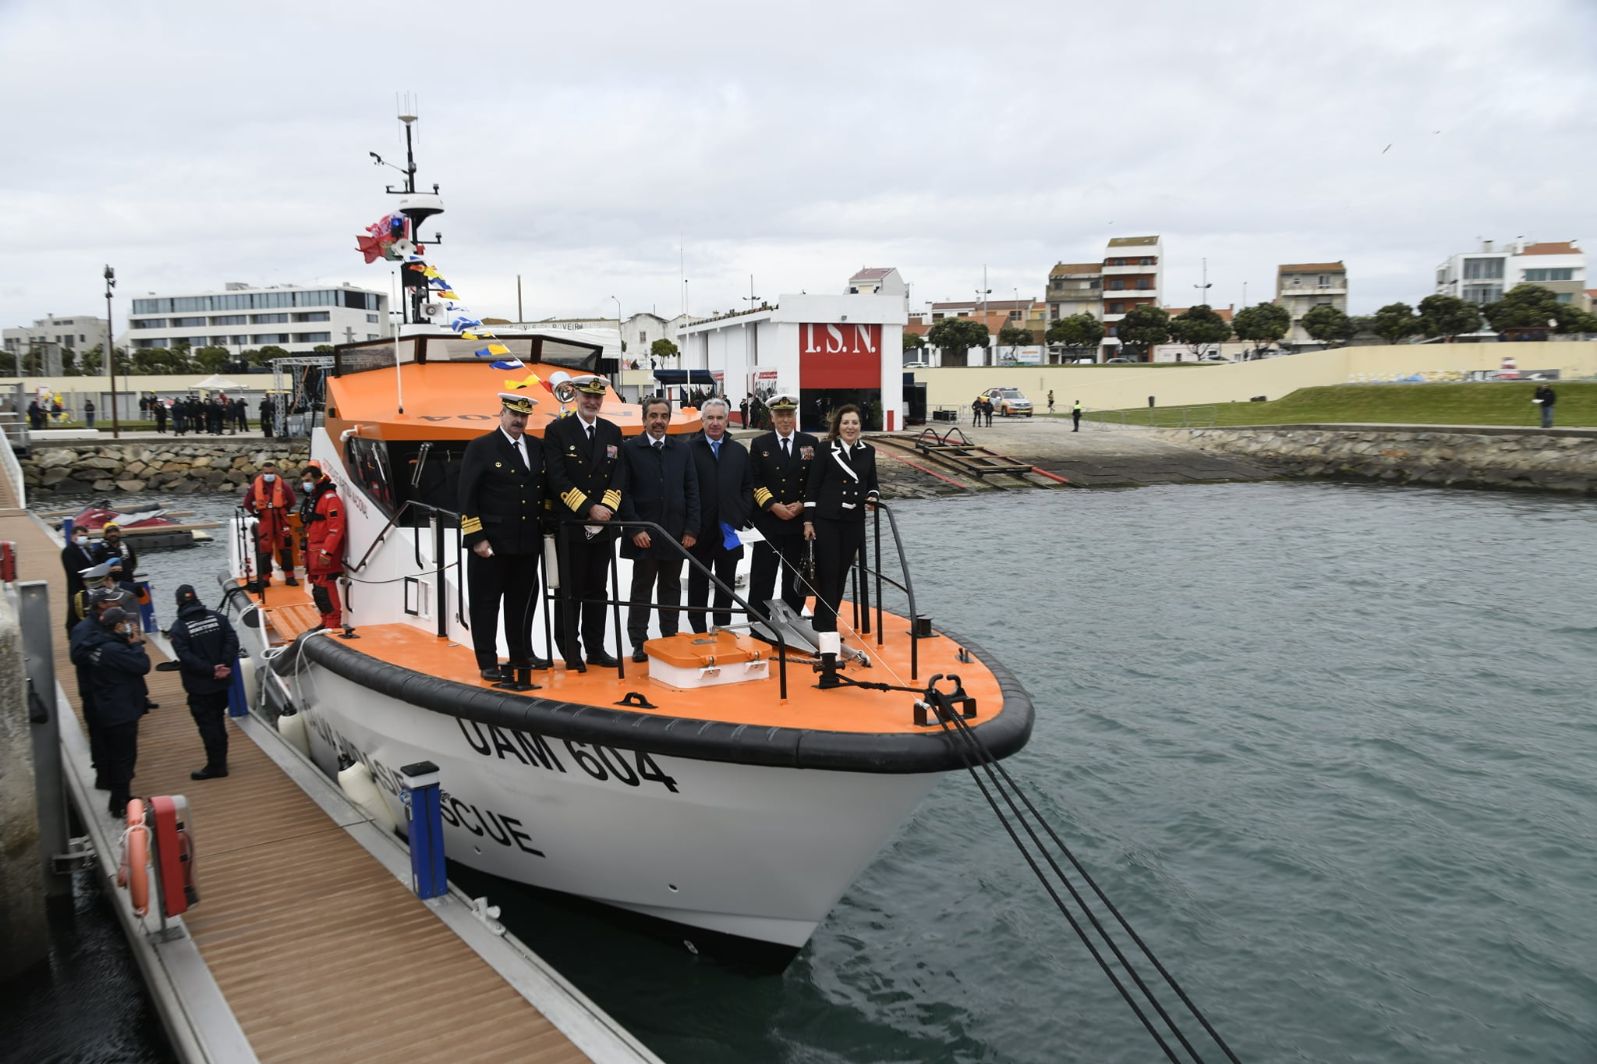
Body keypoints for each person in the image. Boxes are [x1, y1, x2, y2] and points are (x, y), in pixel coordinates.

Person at [459, 392, 548, 679]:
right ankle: (487, 660)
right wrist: (477, 538)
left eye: (524, 416)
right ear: (502, 414)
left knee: (521, 602)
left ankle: (521, 653)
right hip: (492, 543)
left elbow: (540, 491)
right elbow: (466, 497)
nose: (519, 420)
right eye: (514, 415)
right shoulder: (482, 447)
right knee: (486, 604)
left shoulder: (536, 447)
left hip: (525, 542)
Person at [544, 375, 626, 668]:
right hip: (572, 526)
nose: (592, 402)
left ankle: (595, 648)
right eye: (587, 396)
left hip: (603, 528)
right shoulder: (557, 432)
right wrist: (589, 508)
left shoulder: (612, 432)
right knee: (571, 591)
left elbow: (618, 475)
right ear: (576, 396)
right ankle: (569, 650)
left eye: (597, 397)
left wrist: (607, 509)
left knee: (597, 590)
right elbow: (557, 478)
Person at [618, 396, 699, 662]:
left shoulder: (682, 450)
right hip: (644, 536)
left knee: (671, 587)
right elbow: (624, 493)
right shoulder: (629, 450)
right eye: (653, 416)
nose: (658, 421)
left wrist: (691, 529)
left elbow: (691, 491)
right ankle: (639, 641)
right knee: (642, 587)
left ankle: (669, 637)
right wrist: (634, 529)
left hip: (676, 534)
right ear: (643, 420)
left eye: (663, 416)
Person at [802, 404, 880, 641]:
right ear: (838, 426)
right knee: (829, 572)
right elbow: (813, 486)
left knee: (842, 573)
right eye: (846, 422)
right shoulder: (826, 449)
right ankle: (826, 625)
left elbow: (873, 483)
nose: (850, 427)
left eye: (854, 422)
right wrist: (808, 521)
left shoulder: (868, 451)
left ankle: (825, 620)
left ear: (860, 426)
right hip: (827, 520)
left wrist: (873, 497)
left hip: (853, 521)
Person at [73, 606, 150, 819]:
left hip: (105, 706)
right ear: (117, 626)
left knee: (116, 756)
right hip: (120, 710)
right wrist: (135, 645)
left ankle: (118, 798)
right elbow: (142, 665)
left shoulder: (95, 646)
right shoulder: (113, 650)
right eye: (125, 623)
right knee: (124, 758)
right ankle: (120, 802)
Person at [748, 392, 818, 620]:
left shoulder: (810, 443)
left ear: (795, 416)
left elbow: (814, 481)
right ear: (772, 417)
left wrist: (802, 505)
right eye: (780, 415)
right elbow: (754, 481)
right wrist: (772, 505)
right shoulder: (760, 444)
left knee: (794, 576)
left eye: (789, 414)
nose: (785, 419)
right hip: (769, 521)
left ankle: (793, 619)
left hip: (798, 521)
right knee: (762, 575)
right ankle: (757, 620)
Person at [685, 398, 752, 633]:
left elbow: (747, 487)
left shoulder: (739, 451)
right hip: (699, 530)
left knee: (726, 583)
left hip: (729, 529)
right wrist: (689, 526)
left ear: (726, 420)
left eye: (719, 418)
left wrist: (740, 515)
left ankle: (722, 627)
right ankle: (699, 629)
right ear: (702, 421)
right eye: (710, 418)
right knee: (698, 582)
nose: (715, 423)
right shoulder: (688, 450)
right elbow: (683, 488)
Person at [168, 585, 240, 780]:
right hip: (222, 683)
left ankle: (216, 766)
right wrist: (224, 665)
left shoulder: (179, 628)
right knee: (218, 721)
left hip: (200, 687)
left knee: (208, 726)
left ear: (178, 602)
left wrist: (210, 670)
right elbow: (232, 641)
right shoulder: (218, 618)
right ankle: (221, 760)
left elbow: (185, 656)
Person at [70, 588, 118, 790]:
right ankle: (104, 778)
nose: (116, 604)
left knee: (113, 736)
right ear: (101, 605)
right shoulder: (84, 629)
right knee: (99, 736)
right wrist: (104, 641)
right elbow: (77, 657)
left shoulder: (103, 625)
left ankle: (113, 774)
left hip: (108, 689)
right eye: (111, 602)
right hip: (93, 691)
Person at [301, 464, 348, 632]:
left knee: (326, 585)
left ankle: (333, 623)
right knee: (318, 588)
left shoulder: (329, 498)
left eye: (307, 481)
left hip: (323, 552)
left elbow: (336, 529)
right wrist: (303, 549)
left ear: (316, 479)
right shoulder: (315, 498)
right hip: (313, 551)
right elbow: (309, 526)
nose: (305, 484)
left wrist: (326, 552)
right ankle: (325, 619)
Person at [241, 461, 298, 593]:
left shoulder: (282, 485)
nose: (269, 475)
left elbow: (292, 500)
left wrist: (284, 509)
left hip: (280, 519)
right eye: (266, 473)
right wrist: (255, 512)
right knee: (264, 551)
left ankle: (290, 576)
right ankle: (266, 578)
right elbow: (247, 503)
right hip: (265, 519)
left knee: (285, 549)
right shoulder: (256, 486)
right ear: (262, 473)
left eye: (271, 473)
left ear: (275, 472)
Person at [60, 525, 99, 638]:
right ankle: (73, 636)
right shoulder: (68, 551)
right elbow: (73, 571)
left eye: (86, 536)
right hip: (77, 589)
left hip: (91, 588)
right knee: (75, 615)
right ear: (73, 536)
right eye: (81, 536)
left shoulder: (87, 549)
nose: (84, 538)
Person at [94, 521, 139, 596]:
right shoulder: (100, 549)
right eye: (109, 532)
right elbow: (96, 568)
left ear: (119, 533)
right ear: (105, 534)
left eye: (115, 531)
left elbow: (134, 564)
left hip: (128, 584)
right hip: (111, 588)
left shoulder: (127, 547)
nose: (113, 534)